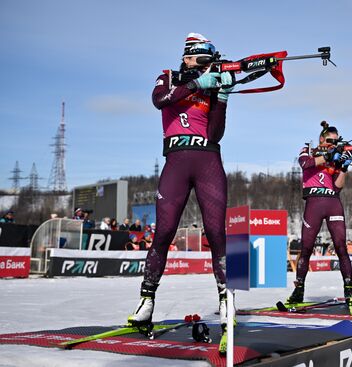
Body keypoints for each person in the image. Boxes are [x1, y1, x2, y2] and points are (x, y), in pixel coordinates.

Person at [128, 32, 233, 348]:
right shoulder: (168, 77)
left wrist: (223, 96)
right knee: (163, 233)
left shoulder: (212, 84)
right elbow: (160, 100)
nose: (206, 68)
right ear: (188, 57)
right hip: (175, 161)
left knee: (216, 233)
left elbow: (215, 133)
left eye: (209, 63)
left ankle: (227, 300)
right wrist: (196, 84)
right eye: (202, 62)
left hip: (208, 161)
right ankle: (146, 302)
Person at [286, 121, 352, 314]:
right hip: (313, 204)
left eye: (336, 141)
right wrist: (327, 155)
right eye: (329, 140)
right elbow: (305, 163)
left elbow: (338, 185)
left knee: (341, 247)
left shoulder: (336, 158)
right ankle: (299, 289)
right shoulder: (308, 149)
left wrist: (343, 168)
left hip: (333, 202)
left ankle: (349, 290)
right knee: (306, 248)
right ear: (321, 139)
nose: (333, 143)